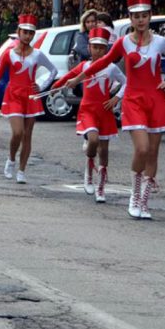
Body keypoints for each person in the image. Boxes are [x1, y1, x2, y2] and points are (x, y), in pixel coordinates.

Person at [65, 0, 165, 220]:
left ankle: (144, 200)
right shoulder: (123, 42)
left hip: (157, 100)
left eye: (144, 16)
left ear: (150, 17)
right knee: (141, 149)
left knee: (152, 152)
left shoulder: (160, 42)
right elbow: (103, 62)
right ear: (130, 18)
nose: (140, 20)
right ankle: (134, 195)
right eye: (136, 16)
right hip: (133, 101)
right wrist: (79, 77)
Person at [52, 28, 126, 202]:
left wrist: (116, 98)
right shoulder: (84, 66)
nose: (98, 50)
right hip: (87, 110)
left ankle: (101, 187)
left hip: (105, 111)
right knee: (93, 140)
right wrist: (54, 86)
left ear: (107, 50)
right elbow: (69, 76)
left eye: (102, 47)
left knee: (105, 151)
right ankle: (89, 168)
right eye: (95, 47)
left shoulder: (111, 68)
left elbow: (126, 83)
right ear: (89, 48)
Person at [0, 14, 58, 184]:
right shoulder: (9, 54)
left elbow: (53, 71)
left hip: (31, 97)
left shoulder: (38, 54)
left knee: (27, 135)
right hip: (13, 95)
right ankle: (11, 159)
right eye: (25, 32)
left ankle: (22, 170)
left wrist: (42, 86)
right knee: (18, 132)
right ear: (18, 32)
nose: (28, 36)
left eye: (31, 33)